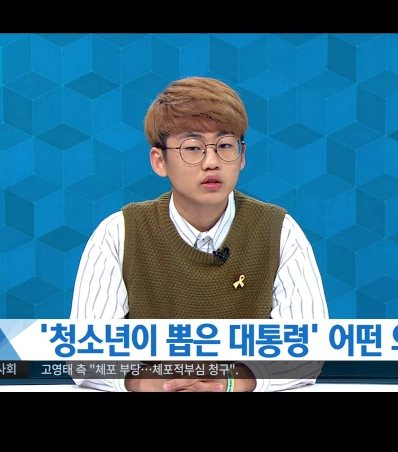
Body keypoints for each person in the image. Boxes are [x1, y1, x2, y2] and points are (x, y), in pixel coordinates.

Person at [69, 76, 328, 392]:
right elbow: (84, 354)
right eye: (192, 147)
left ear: (242, 156)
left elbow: (309, 348)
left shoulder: (279, 231)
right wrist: (154, 383)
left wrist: (230, 382)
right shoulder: (119, 233)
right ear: (159, 161)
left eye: (225, 146)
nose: (211, 162)